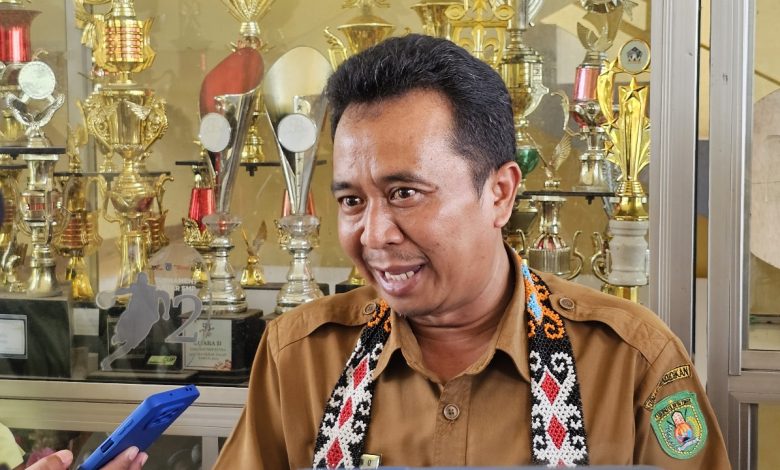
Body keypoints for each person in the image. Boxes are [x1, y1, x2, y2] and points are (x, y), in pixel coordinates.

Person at [217, 33, 730, 468]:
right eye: (352, 200)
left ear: (500, 194)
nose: (373, 235)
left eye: (405, 193)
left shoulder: (631, 361)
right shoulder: (300, 356)